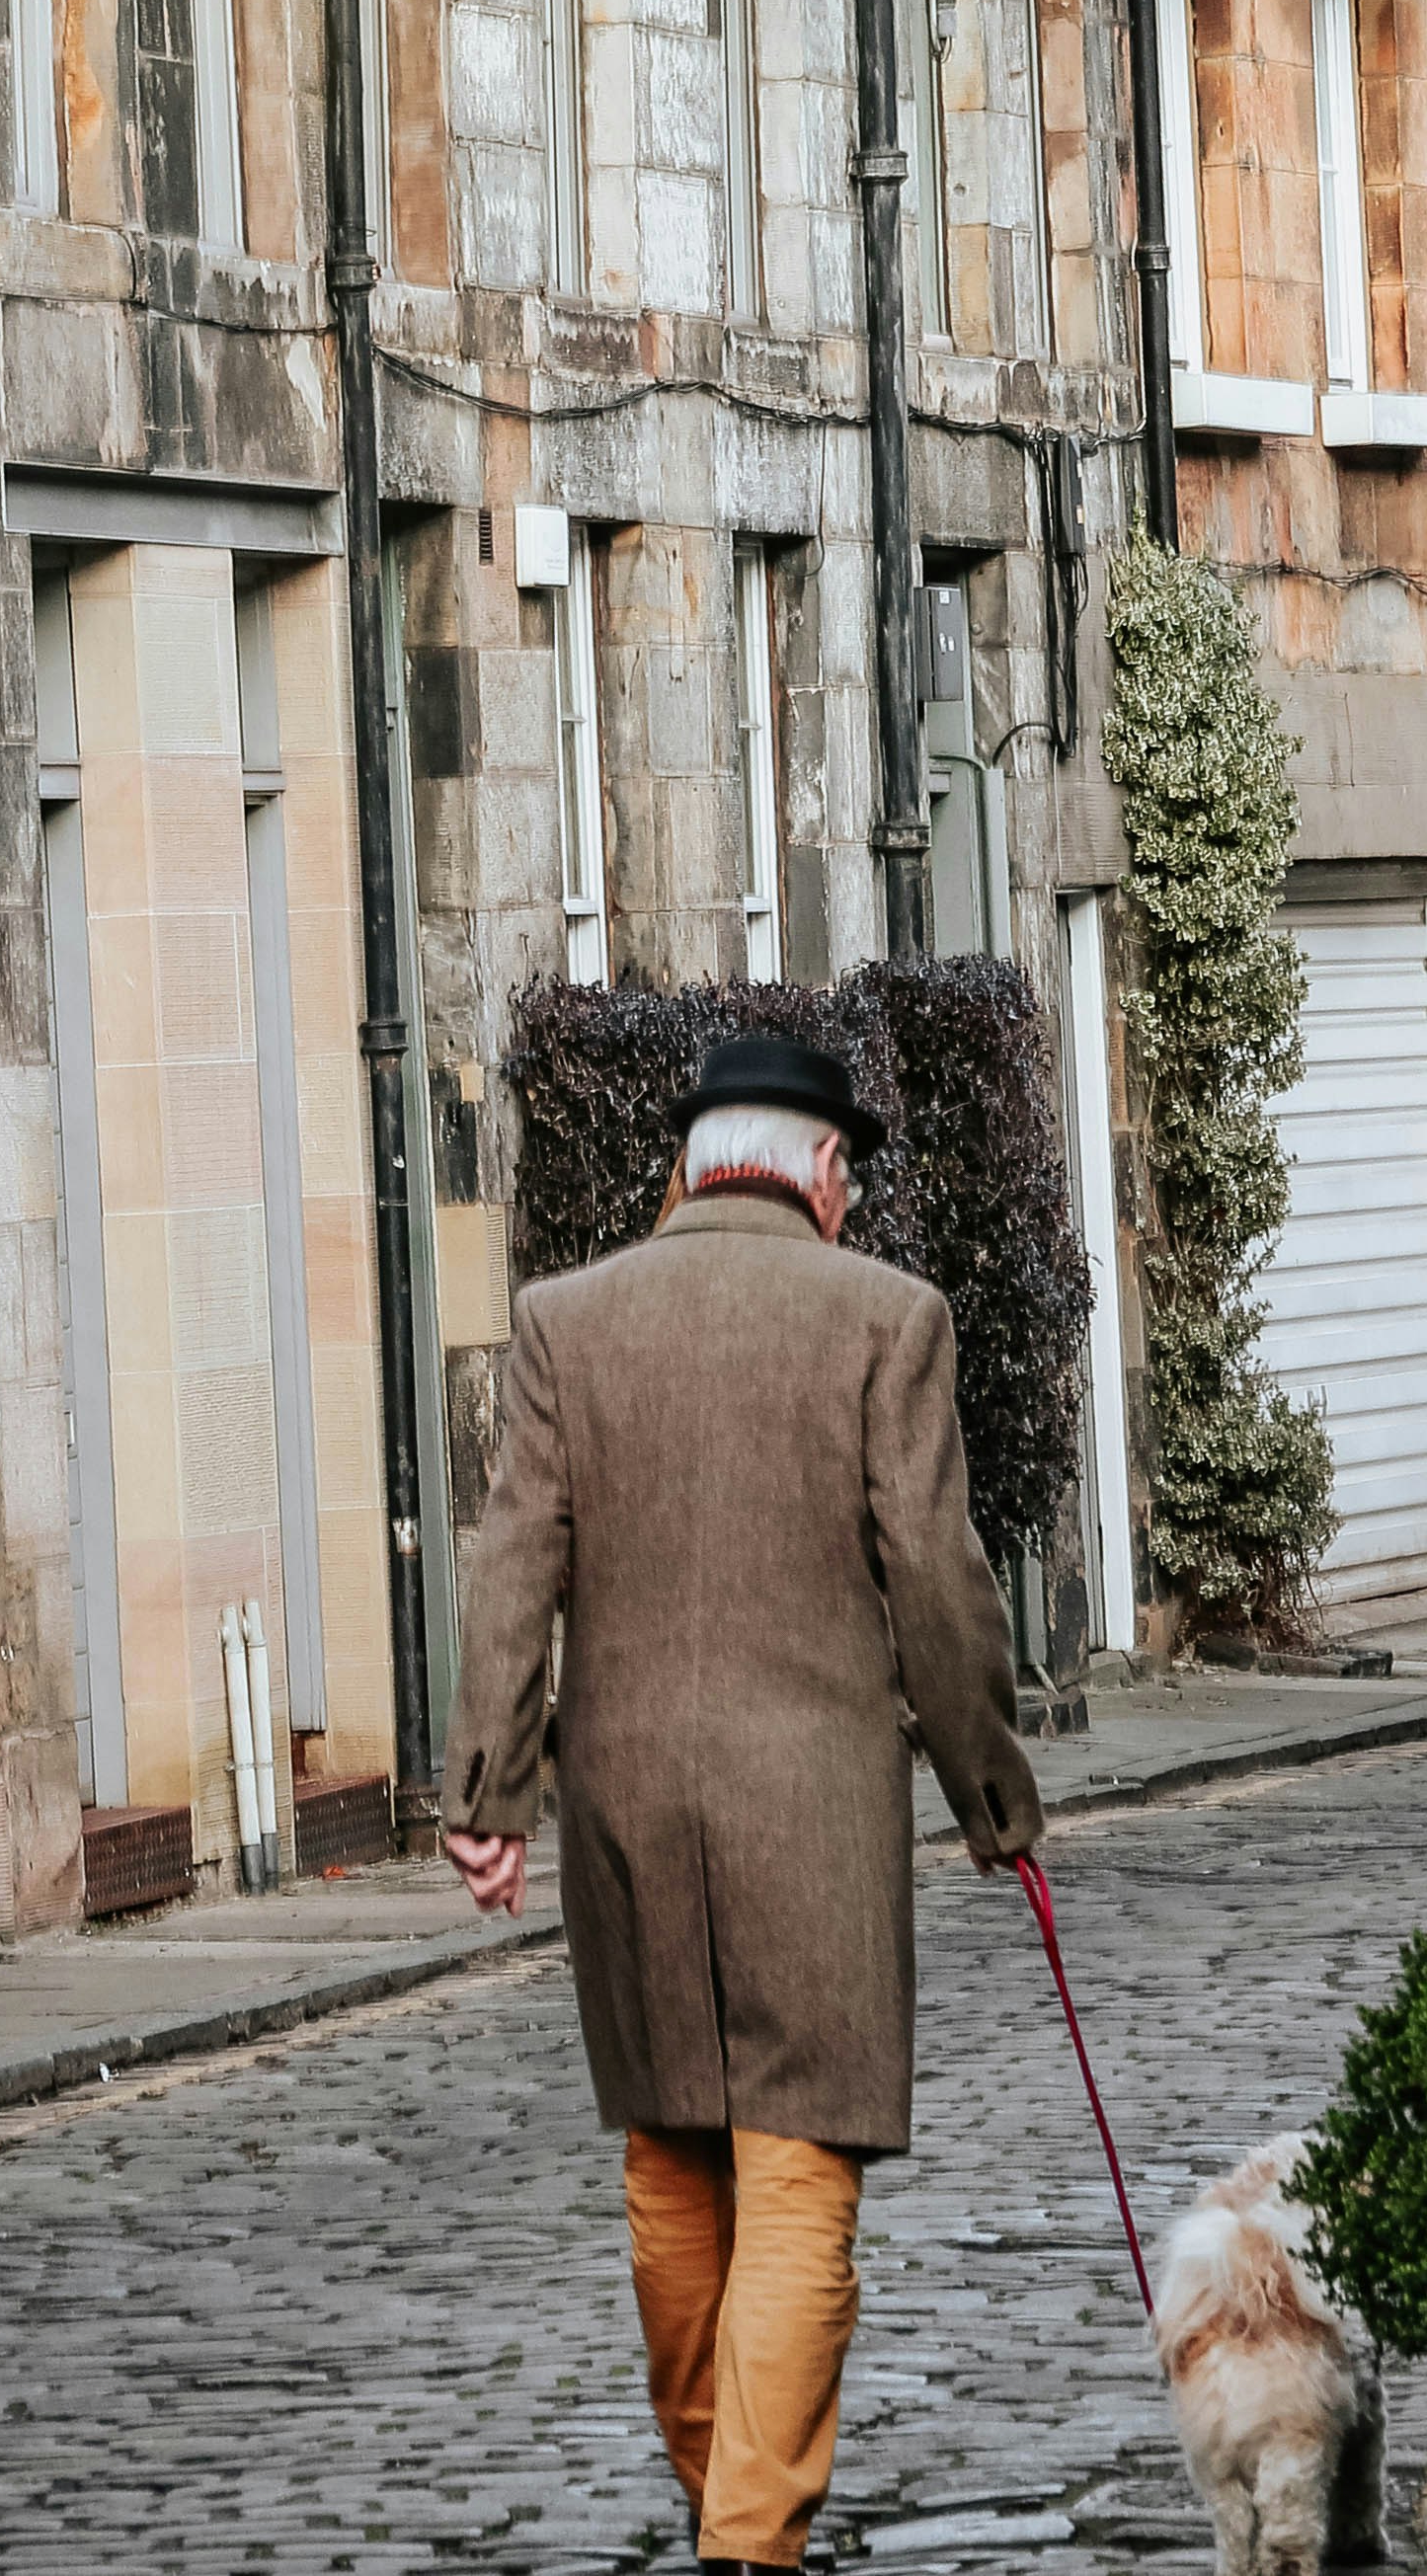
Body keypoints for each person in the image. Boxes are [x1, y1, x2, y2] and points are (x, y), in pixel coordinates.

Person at [440, 1031, 1044, 2573]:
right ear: (825, 1173)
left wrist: (489, 1791)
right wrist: (991, 1789)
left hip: (625, 1797)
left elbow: (514, 1564)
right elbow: (937, 1578)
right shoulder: (888, 1317)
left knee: (667, 2151)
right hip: (817, 1807)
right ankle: (752, 2535)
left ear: (690, 1163)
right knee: (797, 2161)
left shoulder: (565, 1319)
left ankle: (726, 2484)